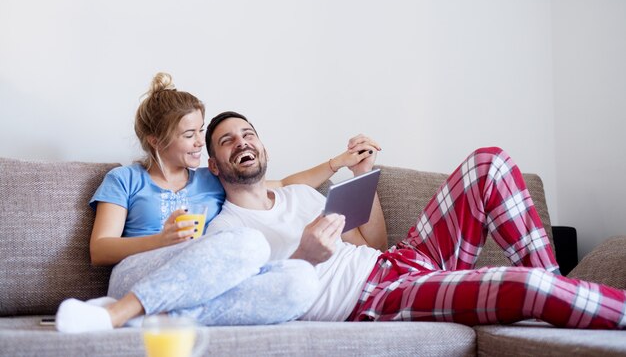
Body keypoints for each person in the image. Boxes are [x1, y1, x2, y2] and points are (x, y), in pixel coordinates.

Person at [204, 110, 626, 329]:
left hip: (399, 260)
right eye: (228, 141)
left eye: (248, 134)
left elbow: (371, 244)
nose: (242, 141)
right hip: (373, 299)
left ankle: (558, 287)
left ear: (263, 148)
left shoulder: (300, 194)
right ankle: (562, 295)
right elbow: (249, 304)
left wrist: (361, 175)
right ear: (215, 166)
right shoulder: (226, 229)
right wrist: (304, 256)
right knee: (523, 286)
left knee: (489, 163)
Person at [54, 73, 373, 333]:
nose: (198, 142)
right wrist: (160, 241)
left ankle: (148, 319)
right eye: (188, 134)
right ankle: (120, 310)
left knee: (300, 282)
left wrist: (339, 162)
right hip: (137, 274)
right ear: (157, 141)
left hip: (194, 285)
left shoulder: (209, 179)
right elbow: (100, 249)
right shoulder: (125, 179)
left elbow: (287, 183)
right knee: (251, 244)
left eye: (201, 131)